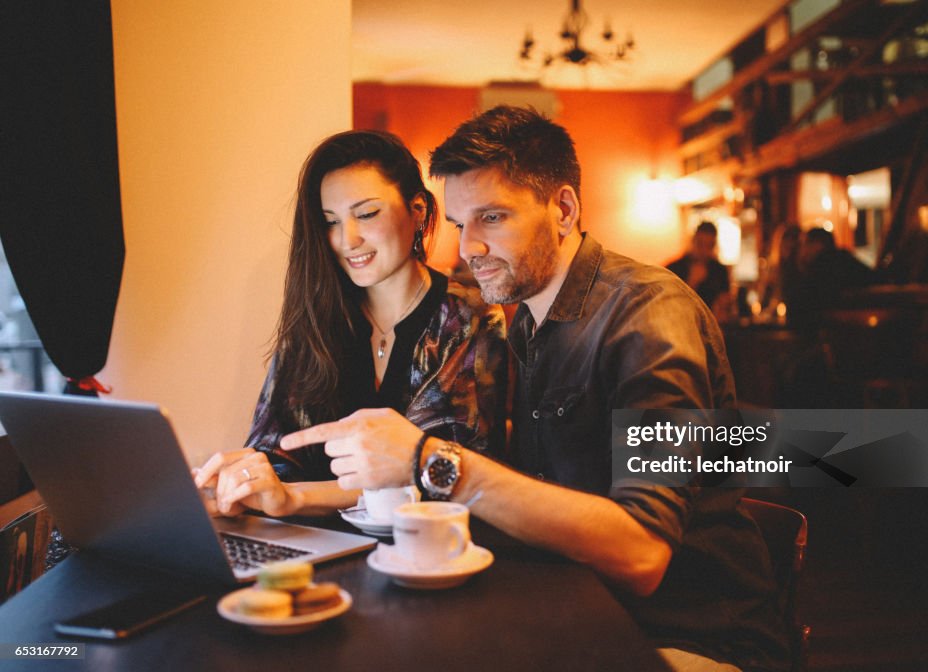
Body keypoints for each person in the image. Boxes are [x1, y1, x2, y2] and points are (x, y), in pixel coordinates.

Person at [280, 108, 789, 671]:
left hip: (687, 634)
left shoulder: (648, 315)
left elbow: (643, 553)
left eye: (492, 217)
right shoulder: (523, 321)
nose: (470, 247)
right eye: (459, 225)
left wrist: (432, 459)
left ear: (564, 209)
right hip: (572, 608)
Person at [193, 130, 506, 518]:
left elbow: (437, 475)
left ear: (418, 211)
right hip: (308, 545)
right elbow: (274, 450)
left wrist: (295, 498)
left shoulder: (467, 317)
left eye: (367, 214)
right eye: (330, 222)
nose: (347, 239)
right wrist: (239, 483)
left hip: (418, 553)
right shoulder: (316, 318)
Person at [667, 220, 732, 322]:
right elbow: (669, 304)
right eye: (700, 244)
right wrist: (692, 283)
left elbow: (725, 304)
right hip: (680, 324)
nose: (704, 251)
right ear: (693, 241)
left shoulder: (719, 270)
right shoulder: (675, 268)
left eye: (709, 246)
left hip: (710, 326)